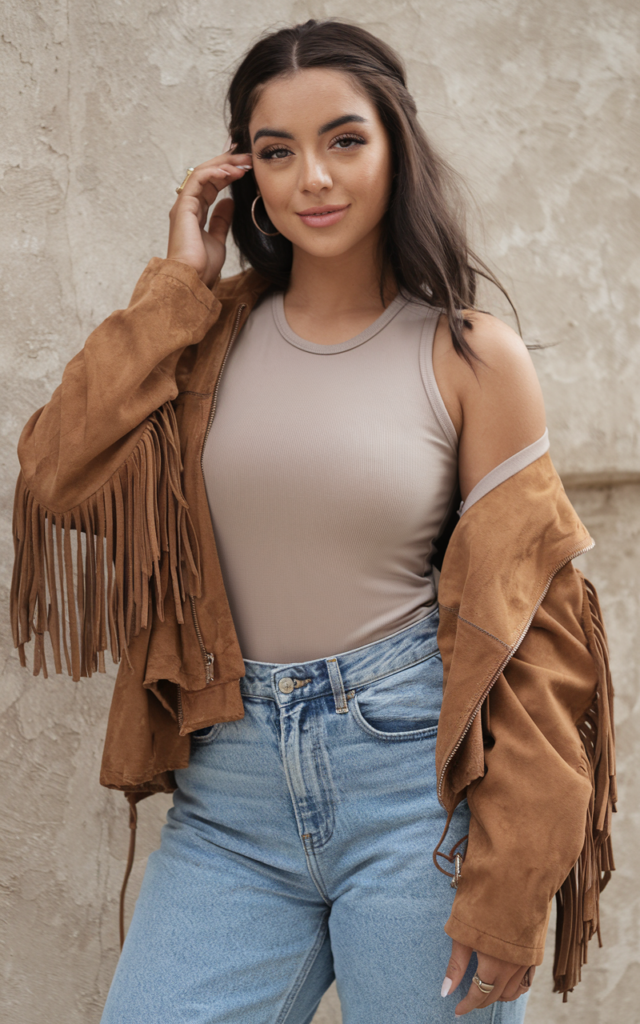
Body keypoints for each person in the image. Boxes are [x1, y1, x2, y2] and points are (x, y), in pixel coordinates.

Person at [10, 19, 616, 1024]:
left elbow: (534, 629)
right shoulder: (206, 336)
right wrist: (178, 285)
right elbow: (56, 476)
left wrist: (512, 879)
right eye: (277, 151)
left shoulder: (470, 356)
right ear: (244, 173)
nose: (313, 178)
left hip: (413, 792)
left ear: (394, 148)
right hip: (230, 796)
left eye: (343, 140)